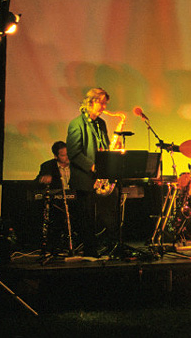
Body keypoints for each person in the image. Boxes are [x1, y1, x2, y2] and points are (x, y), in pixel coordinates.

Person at [66, 87, 114, 257]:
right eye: (102, 103)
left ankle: (104, 247)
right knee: (86, 218)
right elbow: (73, 152)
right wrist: (92, 166)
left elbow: (105, 146)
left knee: (103, 217)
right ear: (91, 102)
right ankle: (89, 251)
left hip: (101, 178)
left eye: (105, 103)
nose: (104, 107)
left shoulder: (101, 123)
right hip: (85, 179)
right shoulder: (76, 124)